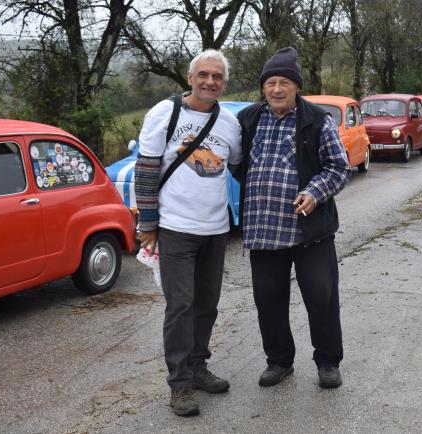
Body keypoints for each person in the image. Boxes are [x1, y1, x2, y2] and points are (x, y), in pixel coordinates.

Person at [234, 47, 351, 389]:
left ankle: (328, 361)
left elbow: (339, 167)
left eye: (284, 82)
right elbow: (235, 160)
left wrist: (314, 193)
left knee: (321, 295)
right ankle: (279, 361)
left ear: (297, 86)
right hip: (263, 229)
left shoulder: (317, 120)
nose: (276, 89)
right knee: (268, 300)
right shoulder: (249, 120)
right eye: (270, 82)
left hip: (309, 230)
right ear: (263, 87)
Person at [134, 49, 241, 417]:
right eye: (204, 75)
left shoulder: (229, 123)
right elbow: (146, 169)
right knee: (180, 306)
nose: (210, 81)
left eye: (217, 77)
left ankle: (198, 367)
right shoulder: (165, 113)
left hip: (216, 228)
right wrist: (147, 224)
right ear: (190, 77)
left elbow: (240, 165)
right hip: (176, 227)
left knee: (207, 304)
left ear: (224, 83)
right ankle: (179, 384)